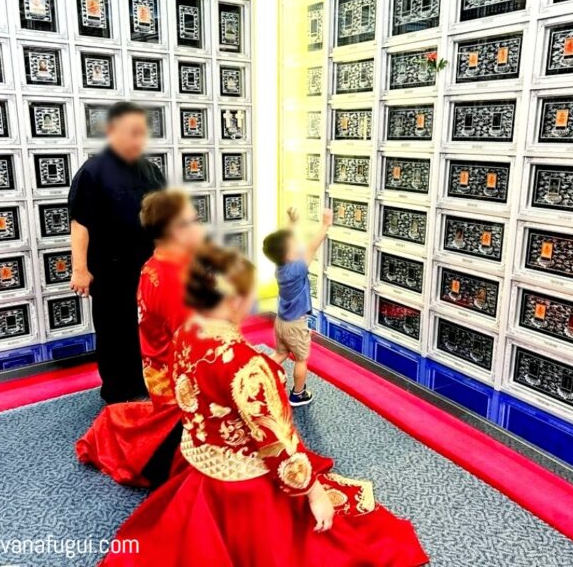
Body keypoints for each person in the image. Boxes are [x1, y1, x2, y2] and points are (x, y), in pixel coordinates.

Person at [100, 244, 428, 566]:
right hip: (246, 490)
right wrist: (314, 493)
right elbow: (280, 444)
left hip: (200, 472)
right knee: (345, 544)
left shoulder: (186, 333)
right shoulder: (248, 365)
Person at [76, 190, 205, 487]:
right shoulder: (174, 279)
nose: (200, 228)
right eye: (193, 221)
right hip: (179, 377)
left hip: (158, 370)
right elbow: (197, 343)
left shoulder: (154, 264)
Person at [69, 102, 165, 404]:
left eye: (141, 133)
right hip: (109, 270)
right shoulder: (92, 172)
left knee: (149, 328)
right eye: (130, 132)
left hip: (148, 268)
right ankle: (118, 393)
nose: (137, 139)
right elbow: (80, 224)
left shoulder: (151, 171)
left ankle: (150, 383)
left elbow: (163, 217)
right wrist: (79, 270)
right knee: (114, 331)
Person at [262, 206, 332, 406]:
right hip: (295, 324)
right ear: (289, 254)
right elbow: (311, 247)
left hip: (281, 322)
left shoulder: (280, 267)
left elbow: (282, 244)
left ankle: (260, 373)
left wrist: (291, 223)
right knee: (301, 359)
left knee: (281, 353)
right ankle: (298, 394)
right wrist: (325, 225)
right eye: (294, 245)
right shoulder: (298, 268)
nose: (297, 245)